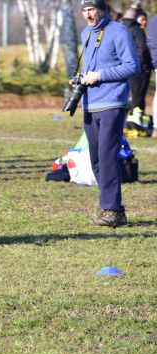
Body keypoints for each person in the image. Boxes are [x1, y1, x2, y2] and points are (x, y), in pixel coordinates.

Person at [79, 0, 139, 227]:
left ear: (102, 9)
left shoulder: (118, 31)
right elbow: (89, 68)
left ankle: (113, 209)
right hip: (89, 104)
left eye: (91, 9)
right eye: (84, 10)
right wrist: (81, 83)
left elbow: (131, 66)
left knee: (107, 157)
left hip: (112, 103)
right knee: (95, 160)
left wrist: (100, 75)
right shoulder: (85, 32)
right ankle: (109, 207)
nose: (88, 14)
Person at [122, 7, 152, 129]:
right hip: (138, 70)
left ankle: (128, 122)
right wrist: (145, 66)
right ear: (135, 19)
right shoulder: (137, 30)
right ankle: (135, 126)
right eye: (142, 19)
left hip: (125, 69)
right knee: (138, 97)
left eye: (146, 20)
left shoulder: (121, 28)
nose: (144, 22)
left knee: (129, 97)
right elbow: (142, 50)